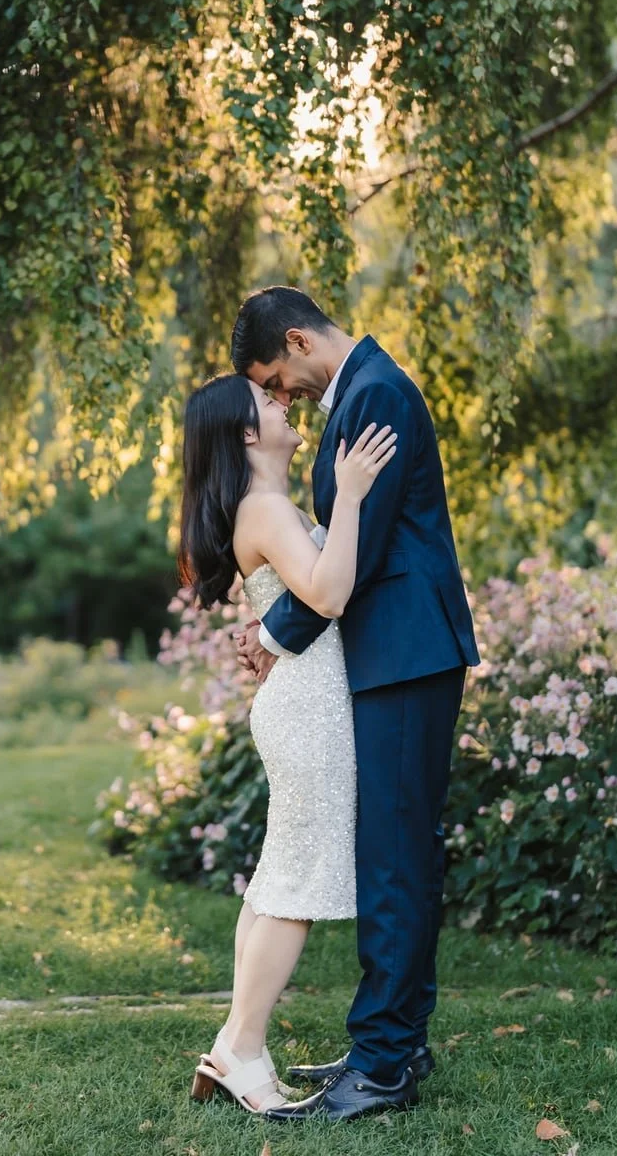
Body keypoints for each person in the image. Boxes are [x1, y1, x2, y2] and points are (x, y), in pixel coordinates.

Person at [232, 285, 481, 1123]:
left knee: (394, 858)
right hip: (397, 654)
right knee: (395, 850)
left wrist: (271, 636)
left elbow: (355, 556)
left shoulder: (372, 394)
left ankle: (381, 1064)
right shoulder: (365, 389)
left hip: (406, 654)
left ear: (299, 340)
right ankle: (396, 1040)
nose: (281, 396)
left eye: (276, 376)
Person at [175, 371, 399, 1114]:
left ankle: (236, 1043)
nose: (285, 403)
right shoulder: (265, 508)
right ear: (245, 432)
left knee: (279, 880)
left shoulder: (268, 505)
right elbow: (330, 596)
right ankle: (241, 1050)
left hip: (301, 704)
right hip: (307, 712)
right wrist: (356, 495)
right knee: (293, 890)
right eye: (270, 402)